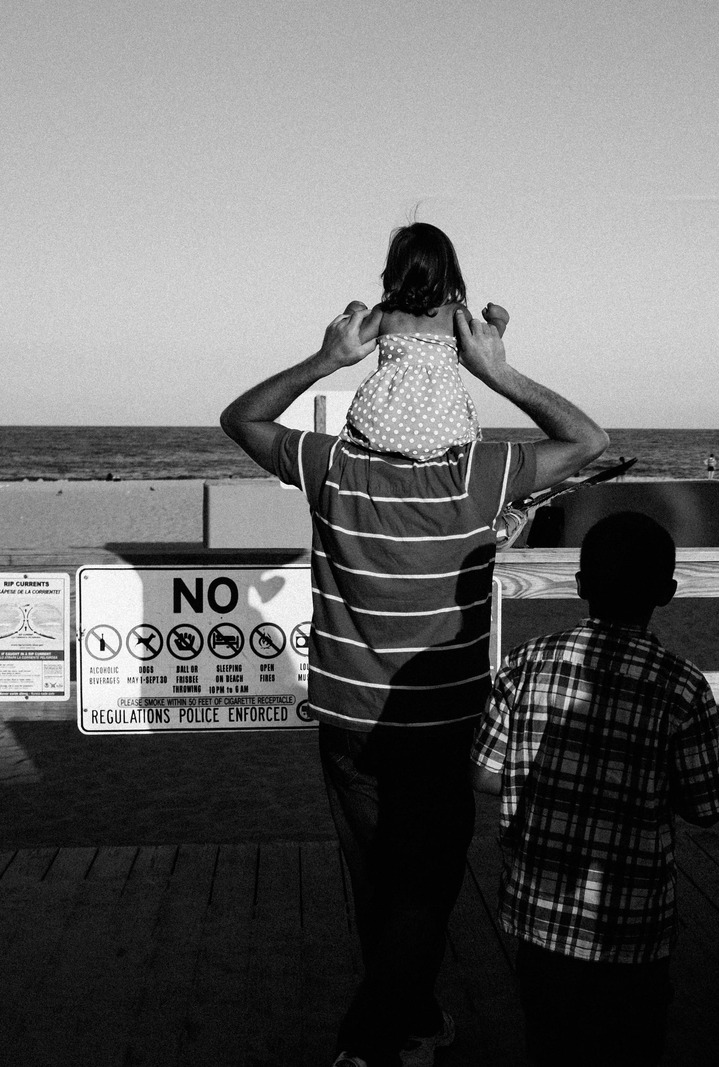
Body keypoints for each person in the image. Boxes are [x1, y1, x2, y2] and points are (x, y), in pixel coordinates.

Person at [220, 282, 608, 1067]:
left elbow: (242, 419)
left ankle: (416, 1018)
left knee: (380, 885)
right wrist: (500, 371)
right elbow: (588, 439)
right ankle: (367, 1044)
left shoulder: (330, 464)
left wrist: (325, 359)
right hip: (441, 724)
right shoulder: (481, 475)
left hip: (349, 719)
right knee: (423, 891)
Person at [471, 511, 719, 1067]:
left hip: (539, 912)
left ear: (581, 583)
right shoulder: (682, 685)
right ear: (667, 593)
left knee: (550, 1043)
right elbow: (708, 807)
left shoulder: (524, 662)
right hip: (631, 923)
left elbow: (484, 774)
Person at [342, 223, 510, 461]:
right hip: (442, 425)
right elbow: (482, 346)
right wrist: (497, 323)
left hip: (382, 424)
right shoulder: (455, 313)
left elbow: (352, 341)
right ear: (448, 272)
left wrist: (352, 314)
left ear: (394, 271)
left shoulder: (385, 313)